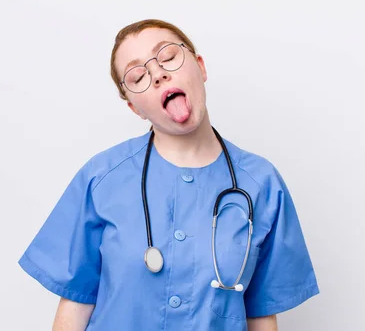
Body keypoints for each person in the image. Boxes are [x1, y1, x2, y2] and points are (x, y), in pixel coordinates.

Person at [18, 19, 319, 331]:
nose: (158, 74)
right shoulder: (101, 178)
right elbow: (75, 305)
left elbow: (262, 316)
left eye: (168, 57)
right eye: (137, 76)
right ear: (135, 108)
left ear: (200, 67)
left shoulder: (263, 186)